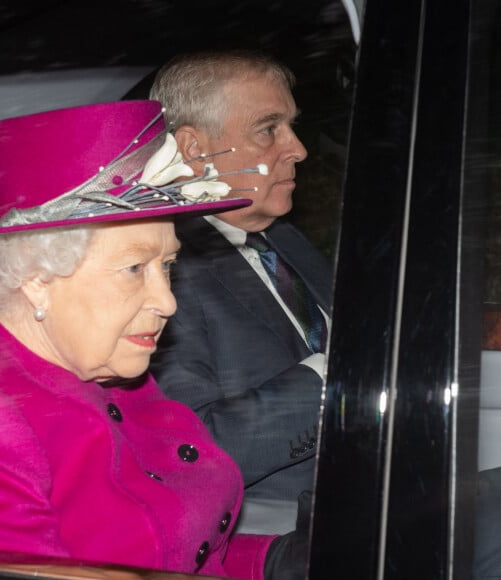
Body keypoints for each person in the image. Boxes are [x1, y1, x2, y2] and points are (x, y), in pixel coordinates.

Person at [0, 100, 309, 579]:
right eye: (134, 268)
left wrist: (277, 561)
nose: (167, 302)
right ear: (36, 278)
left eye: (166, 266)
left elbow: (184, 548)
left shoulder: (107, 368)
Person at [148, 50, 333, 509]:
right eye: (268, 129)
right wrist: (331, 375)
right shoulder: (161, 270)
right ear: (194, 150)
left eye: (291, 125)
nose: (298, 149)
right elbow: (197, 449)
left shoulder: (283, 239)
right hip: (280, 524)